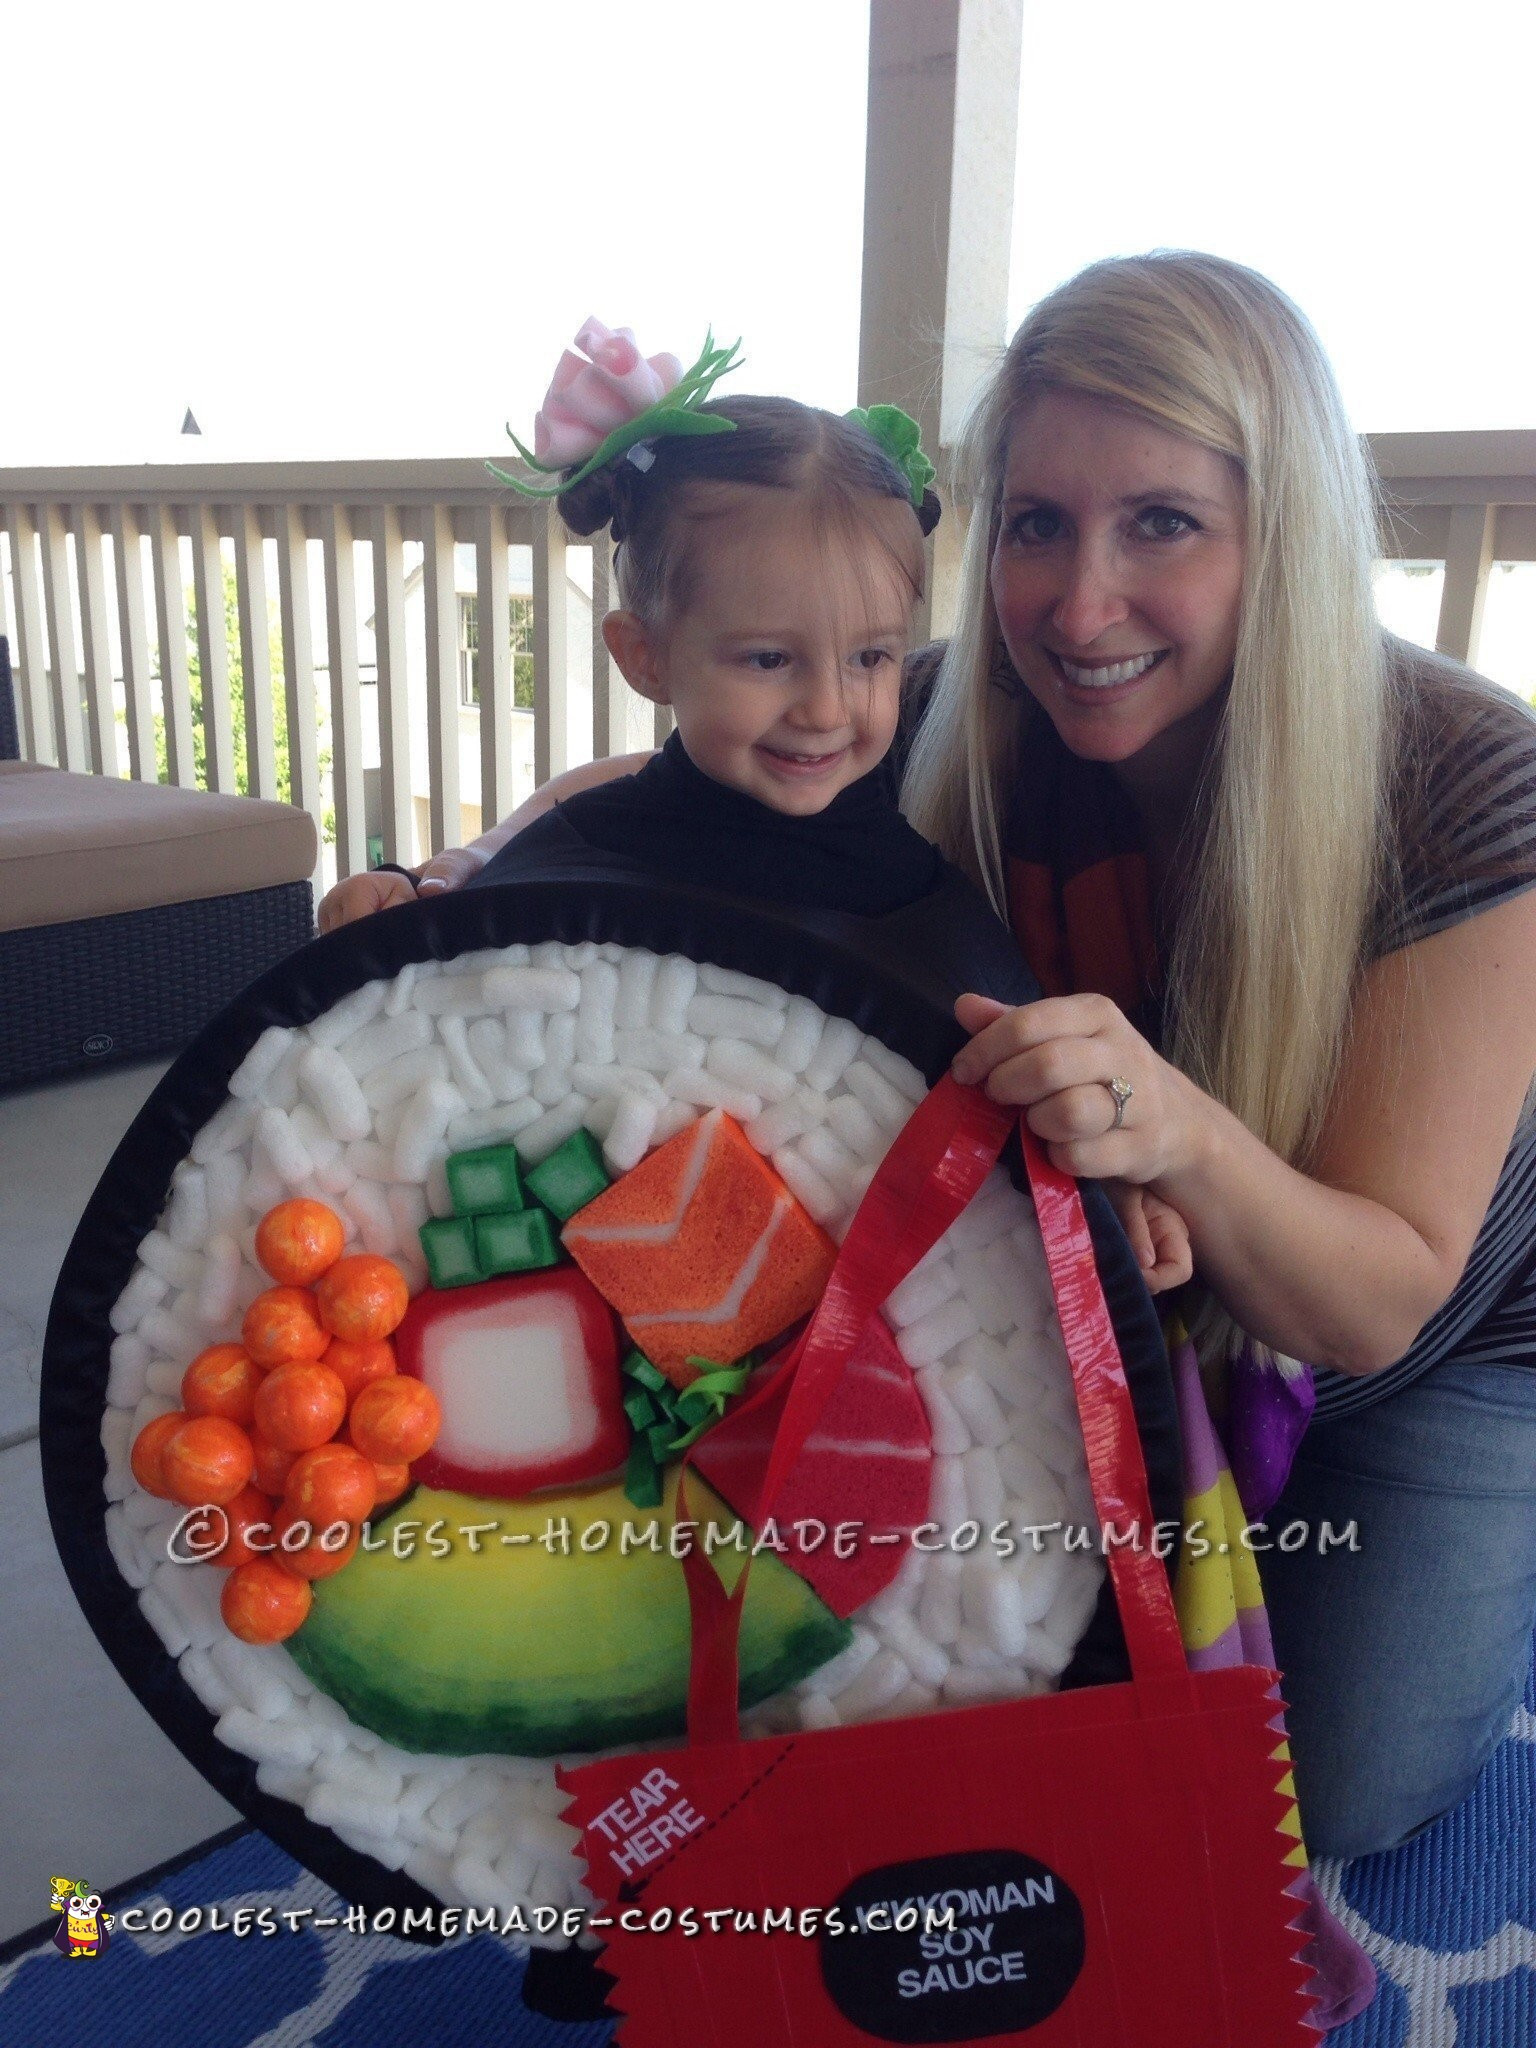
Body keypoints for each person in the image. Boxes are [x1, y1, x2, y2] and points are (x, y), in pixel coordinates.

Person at [333, 259, 1536, 1873]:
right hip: (1118, 1300)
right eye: (1035, 523)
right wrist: (449, 877)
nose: (1077, 601)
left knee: (1331, 1784)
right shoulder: (953, 697)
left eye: (1161, 523)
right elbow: (653, 777)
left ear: (1286, 528)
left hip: (1425, 1347)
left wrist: (1169, 1124)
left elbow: (1376, 1295)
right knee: (953, 1663)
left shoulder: (1468, 774)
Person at [318, 367, 1191, 1290]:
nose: (824, 707)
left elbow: (1025, 1103)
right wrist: (394, 930)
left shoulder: (930, 919)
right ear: (643, 655)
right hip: (541, 1299)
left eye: (870, 657)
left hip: (824, 1356)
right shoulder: (569, 864)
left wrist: (1102, 1191)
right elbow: (423, 1044)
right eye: (769, 658)